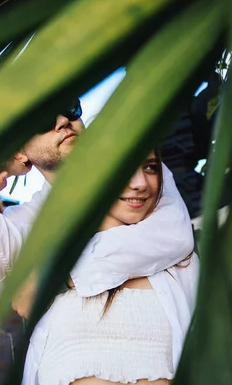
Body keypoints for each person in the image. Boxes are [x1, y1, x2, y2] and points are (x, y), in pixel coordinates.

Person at [0, 104, 194, 348]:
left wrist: (49, 277)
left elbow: (173, 235)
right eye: (42, 116)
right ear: (18, 152)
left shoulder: (136, 173)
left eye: (70, 107)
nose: (63, 120)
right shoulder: (25, 226)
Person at [30, 149, 198, 385]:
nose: (140, 183)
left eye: (150, 167)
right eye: (123, 167)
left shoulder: (181, 262)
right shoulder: (44, 258)